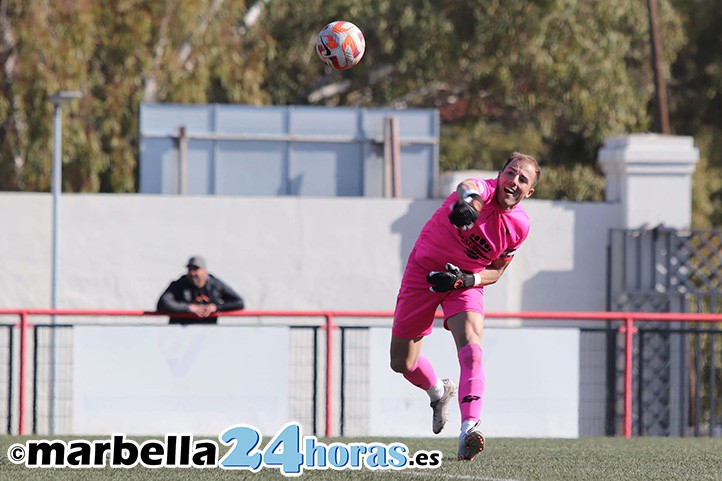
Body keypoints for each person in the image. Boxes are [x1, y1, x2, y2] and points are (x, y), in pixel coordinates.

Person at [389, 152, 541, 461]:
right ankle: (438, 391)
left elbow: (496, 271)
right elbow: (467, 185)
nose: (513, 181)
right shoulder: (481, 192)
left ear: (529, 192)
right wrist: (470, 203)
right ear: (499, 175)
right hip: (425, 272)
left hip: (463, 282)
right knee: (402, 363)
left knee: (472, 348)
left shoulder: (520, 226)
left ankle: (469, 429)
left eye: (522, 179)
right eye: (510, 173)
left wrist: (464, 281)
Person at [157, 256, 245, 325]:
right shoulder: (179, 284)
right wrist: (188, 308)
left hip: (207, 336)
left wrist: (216, 307)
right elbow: (163, 303)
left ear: (205, 271)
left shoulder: (215, 285)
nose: (192, 273)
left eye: (195, 269)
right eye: (189, 269)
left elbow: (238, 302)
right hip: (181, 334)